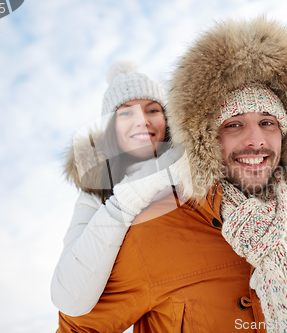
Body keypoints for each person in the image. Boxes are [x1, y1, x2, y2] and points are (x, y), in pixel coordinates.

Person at [57, 17, 287, 333]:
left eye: (268, 122)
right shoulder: (153, 228)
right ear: (205, 137)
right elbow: (76, 320)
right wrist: (124, 199)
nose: (256, 139)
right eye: (233, 124)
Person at [51, 61, 191, 317]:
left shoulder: (195, 170)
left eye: (152, 110)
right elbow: (68, 298)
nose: (142, 121)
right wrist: (126, 200)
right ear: (111, 126)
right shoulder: (96, 191)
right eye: (126, 113)